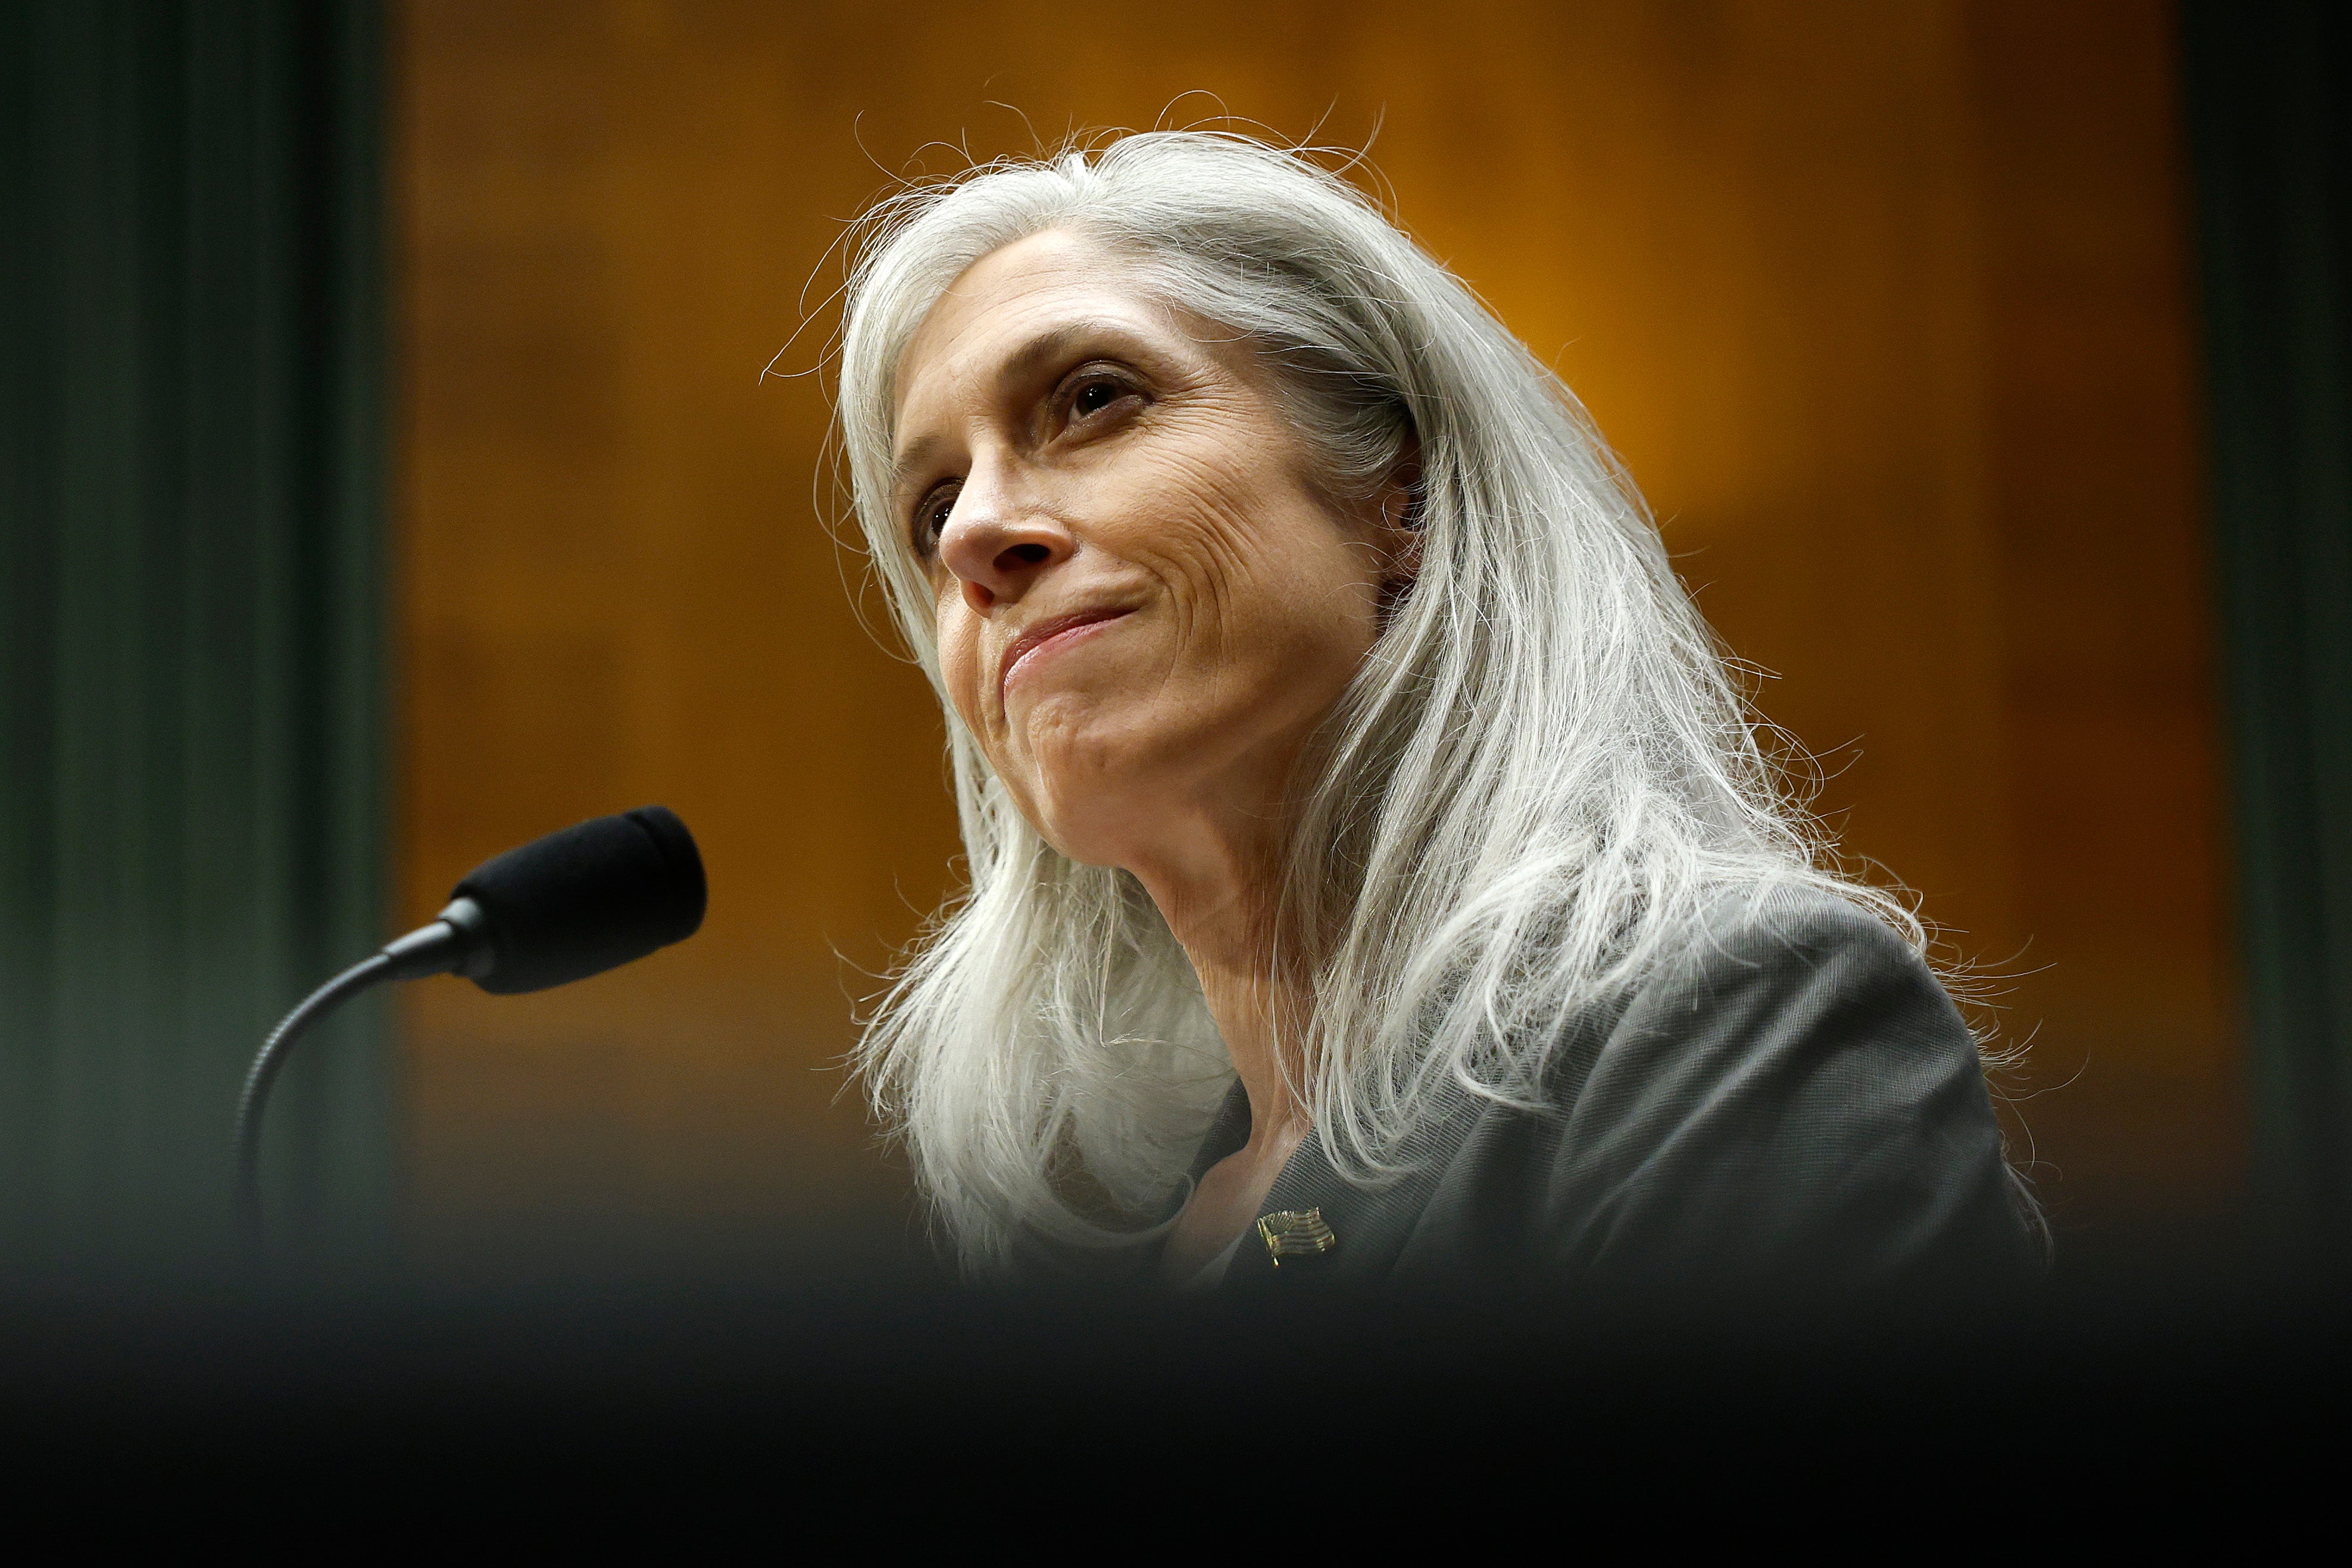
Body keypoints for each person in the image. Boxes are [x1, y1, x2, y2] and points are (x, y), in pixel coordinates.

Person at [833, 132, 2036, 1295]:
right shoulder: (1117, 1241)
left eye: (1094, 398)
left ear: (1396, 490)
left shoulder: (1721, 1024)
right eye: (931, 508)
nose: (978, 534)